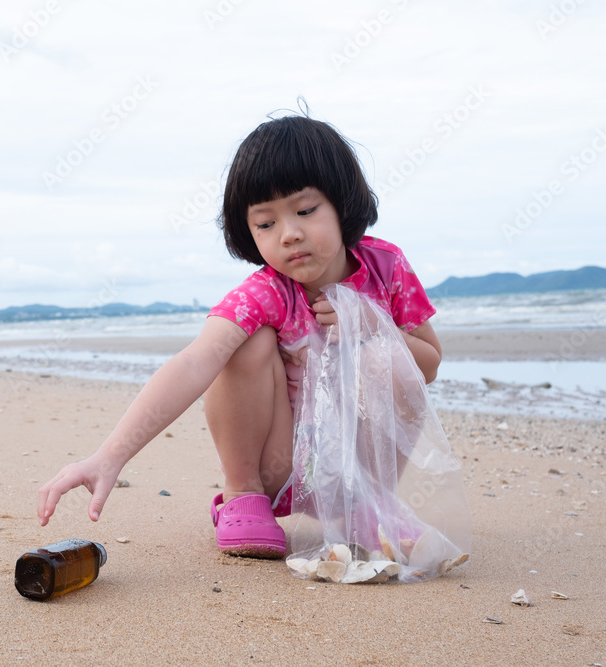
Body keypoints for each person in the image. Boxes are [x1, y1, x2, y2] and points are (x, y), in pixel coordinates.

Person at [37, 115, 442, 559]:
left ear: (342, 202)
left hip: (356, 471)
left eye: (305, 211)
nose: (289, 234)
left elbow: (429, 364)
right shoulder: (266, 292)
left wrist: (369, 325)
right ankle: (243, 493)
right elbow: (194, 362)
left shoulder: (386, 268)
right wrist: (108, 457)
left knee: (384, 356)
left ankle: (369, 504)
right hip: (283, 465)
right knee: (242, 340)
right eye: (265, 224)